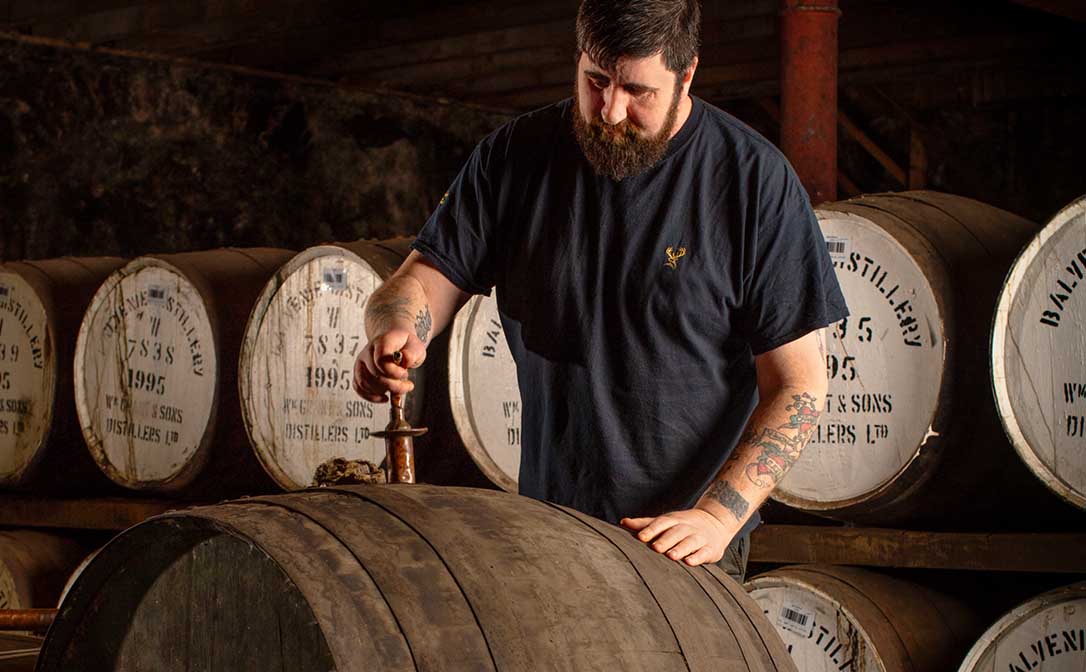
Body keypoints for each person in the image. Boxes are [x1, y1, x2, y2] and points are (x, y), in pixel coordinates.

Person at [353, 0, 847, 582]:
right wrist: (397, 330)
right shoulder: (514, 158)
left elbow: (800, 384)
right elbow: (419, 281)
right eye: (595, 81)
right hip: (548, 525)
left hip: (685, 543)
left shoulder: (751, 183)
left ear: (686, 75)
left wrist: (717, 517)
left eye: (638, 91)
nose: (610, 112)